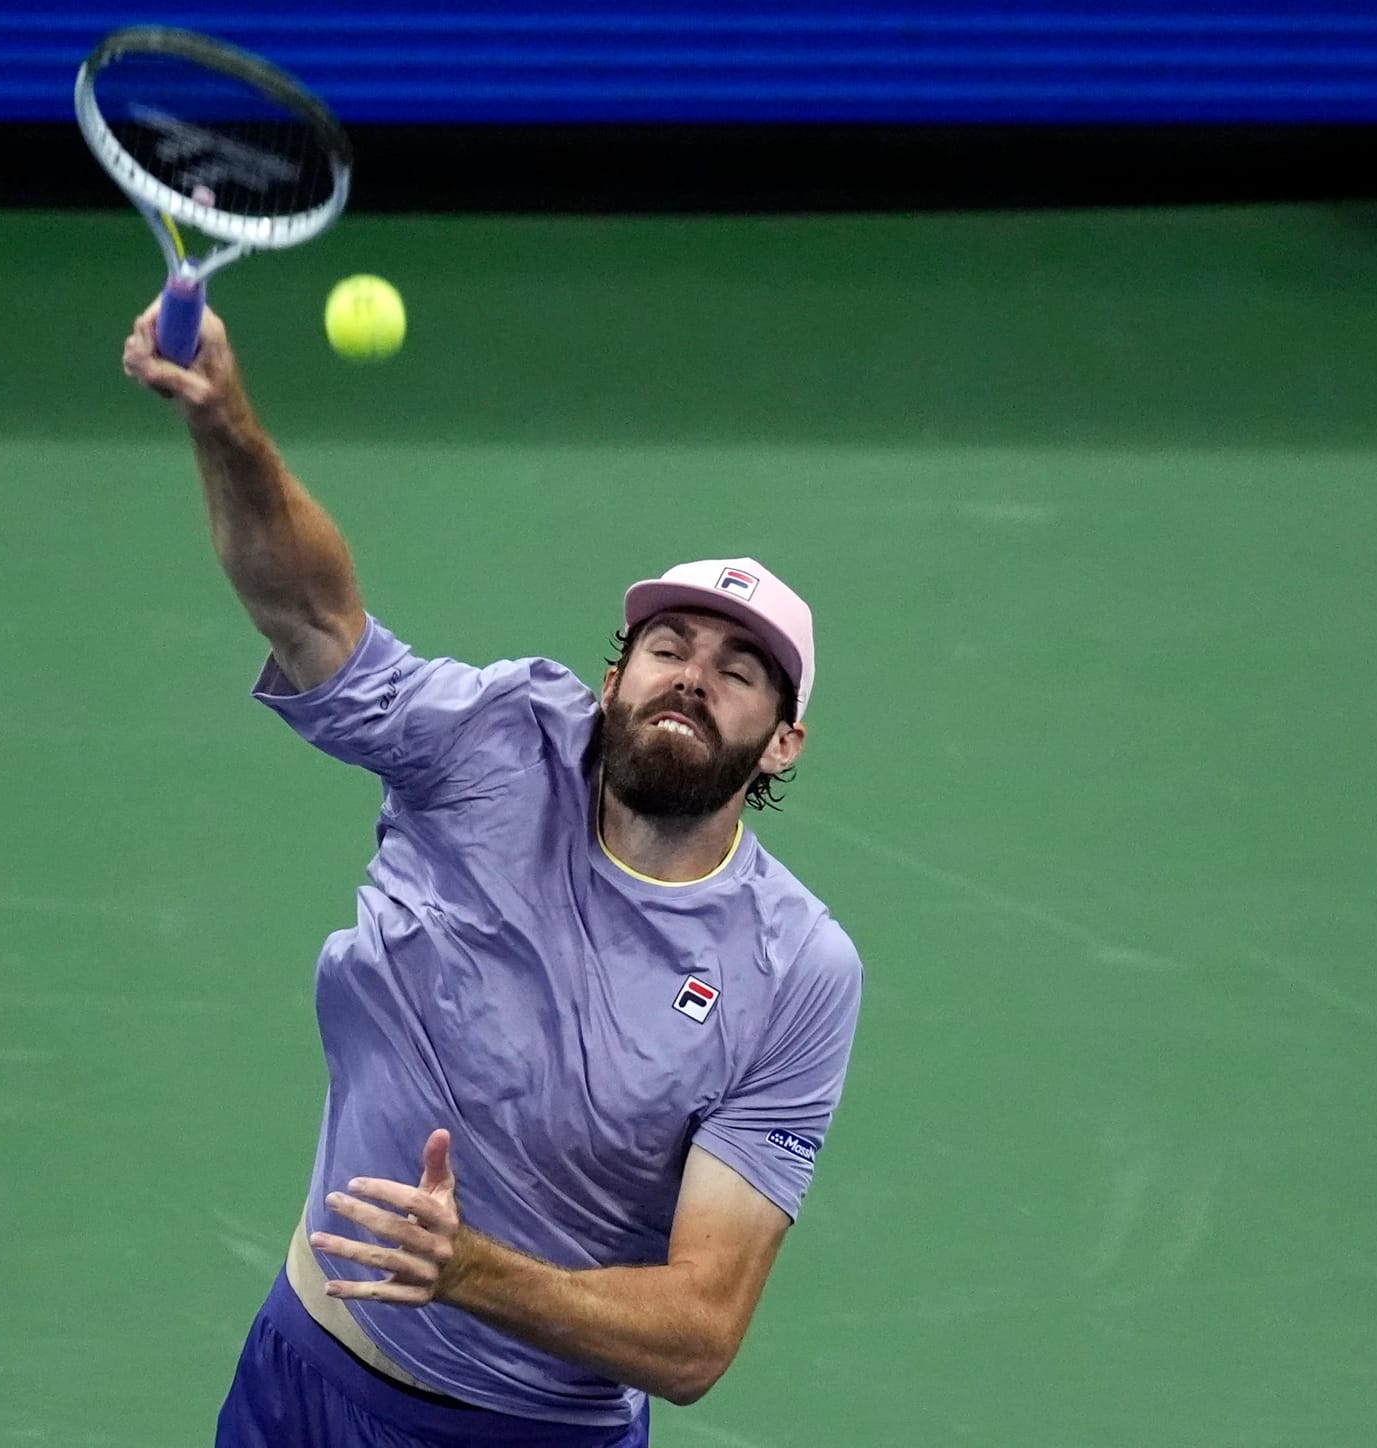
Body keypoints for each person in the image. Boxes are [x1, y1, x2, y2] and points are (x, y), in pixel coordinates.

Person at [122, 301, 863, 1448]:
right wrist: (223, 423)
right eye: (666, 646)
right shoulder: (493, 742)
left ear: (781, 742)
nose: (689, 674)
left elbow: (695, 1335)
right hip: (297, 1378)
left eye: (738, 669)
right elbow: (310, 616)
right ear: (613, 679)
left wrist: (466, 1269)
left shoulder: (795, 970)